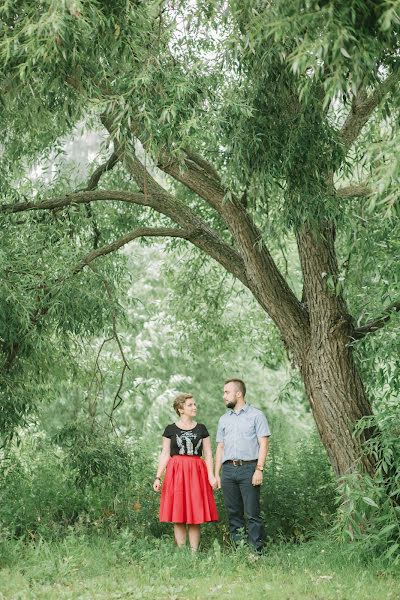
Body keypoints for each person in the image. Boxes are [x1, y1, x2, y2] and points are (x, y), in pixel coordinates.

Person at [153, 393, 218, 551]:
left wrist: (211, 476)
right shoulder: (170, 429)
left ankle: (194, 553)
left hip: (197, 471)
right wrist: (158, 477)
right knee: (179, 513)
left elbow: (208, 453)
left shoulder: (201, 428)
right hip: (176, 472)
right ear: (180, 409)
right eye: (190, 405)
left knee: (195, 514)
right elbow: (165, 453)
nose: (194, 407)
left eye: (194, 404)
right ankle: (182, 553)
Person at [215, 378, 271, 553]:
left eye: (226, 392)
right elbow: (220, 447)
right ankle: (239, 551)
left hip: (249, 468)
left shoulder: (256, 415)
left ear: (238, 394)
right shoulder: (224, 419)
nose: (224, 396)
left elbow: (264, 444)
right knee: (233, 513)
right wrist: (216, 474)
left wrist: (259, 469)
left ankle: (257, 552)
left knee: (252, 513)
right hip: (228, 471)